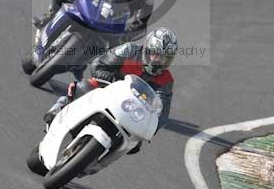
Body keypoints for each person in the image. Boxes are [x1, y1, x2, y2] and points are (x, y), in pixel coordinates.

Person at [43, 27, 178, 154]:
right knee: (83, 87)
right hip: (108, 89)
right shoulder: (129, 50)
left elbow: (162, 110)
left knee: (134, 144)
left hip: (130, 111)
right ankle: (59, 108)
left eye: (165, 58)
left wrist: (151, 129)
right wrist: (105, 75)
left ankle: (95, 159)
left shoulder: (166, 79)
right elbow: (99, 64)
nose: (158, 60)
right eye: (156, 54)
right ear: (147, 49)